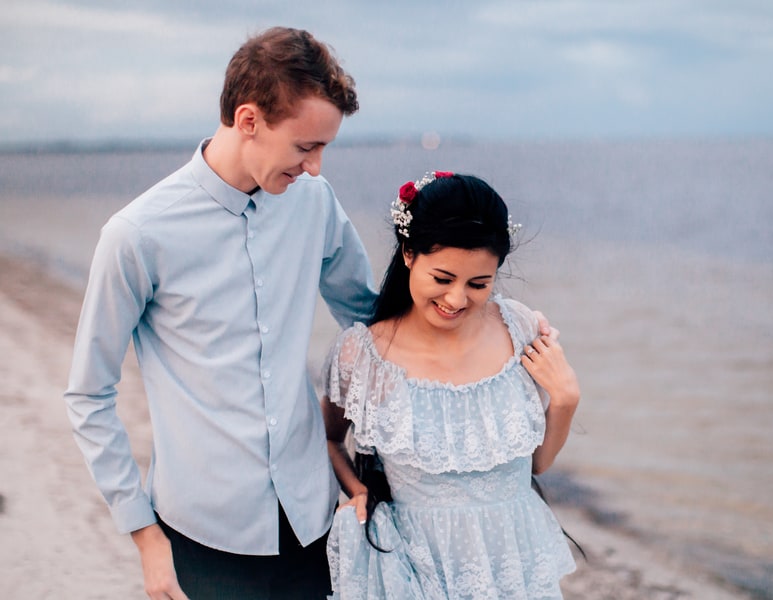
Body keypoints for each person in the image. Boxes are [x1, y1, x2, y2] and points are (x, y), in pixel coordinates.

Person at [64, 27, 379, 599]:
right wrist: (143, 533)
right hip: (201, 536)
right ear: (249, 119)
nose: (314, 167)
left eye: (324, 149)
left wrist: (478, 319)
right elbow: (88, 394)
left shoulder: (316, 204)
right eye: (306, 146)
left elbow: (374, 321)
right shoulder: (136, 235)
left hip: (313, 522)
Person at [321, 171, 580, 599]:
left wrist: (566, 399)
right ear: (408, 253)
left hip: (513, 564)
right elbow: (327, 440)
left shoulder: (519, 328)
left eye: (479, 284)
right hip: (415, 567)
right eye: (443, 279)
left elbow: (536, 466)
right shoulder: (363, 355)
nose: (457, 299)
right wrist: (356, 489)